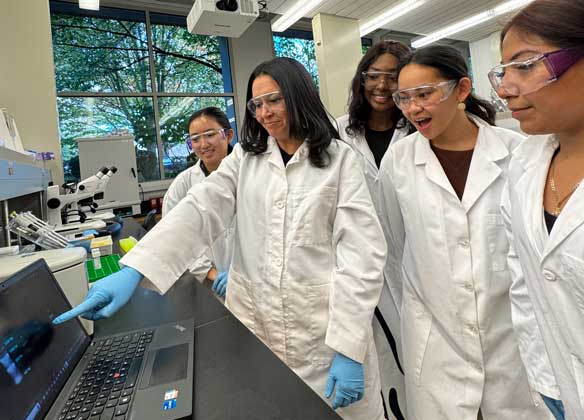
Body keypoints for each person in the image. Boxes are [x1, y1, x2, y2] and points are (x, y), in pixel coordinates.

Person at [54, 57, 387, 419]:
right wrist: (134, 269)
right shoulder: (246, 158)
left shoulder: (340, 161)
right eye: (256, 104)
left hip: (323, 336)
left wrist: (349, 346)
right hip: (256, 328)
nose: (265, 113)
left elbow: (362, 256)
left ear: (299, 95)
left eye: (274, 100)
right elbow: (201, 208)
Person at [377, 45, 551, 420]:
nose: (412, 109)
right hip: (435, 346)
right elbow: (393, 249)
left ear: (461, 90)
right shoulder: (398, 161)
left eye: (424, 95)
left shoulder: (518, 153)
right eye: (403, 98)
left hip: (512, 344)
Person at [491, 1, 584, 418]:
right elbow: (525, 283)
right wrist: (547, 381)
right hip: (556, 387)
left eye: (525, 65)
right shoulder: (526, 164)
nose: (504, 88)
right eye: (503, 71)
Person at [337, 39, 412, 419]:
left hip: (416, 260)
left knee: (420, 358)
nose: (383, 86)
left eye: (393, 77)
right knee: (379, 357)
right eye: (374, 76)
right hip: (360, 264)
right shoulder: (338, 134)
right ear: (361, 79)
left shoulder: (418, 131)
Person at [162, 107, 235, 297]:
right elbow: (175, 239)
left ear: (228, 135)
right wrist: (211, 273)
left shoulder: (253, 174)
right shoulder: (183, 184)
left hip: (254, 281)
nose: (203, 144)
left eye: (210, 134)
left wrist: (245, 273)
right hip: (209, 285)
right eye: (195, 139)